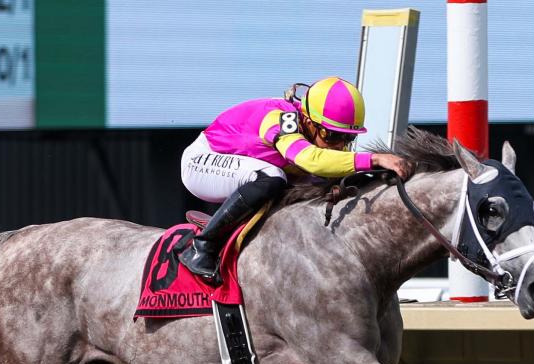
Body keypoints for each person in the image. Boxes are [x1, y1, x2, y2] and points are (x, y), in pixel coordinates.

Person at [176, 76, 415, 278]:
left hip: (243, 167)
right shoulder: (281, 118)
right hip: (201, 163)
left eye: (347, 138)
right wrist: (373, 159)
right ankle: (203, 247)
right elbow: (309, 159)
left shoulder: (316, 131)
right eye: (331, 135)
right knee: (273, 176)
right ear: (309, 122)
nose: (339, 146)